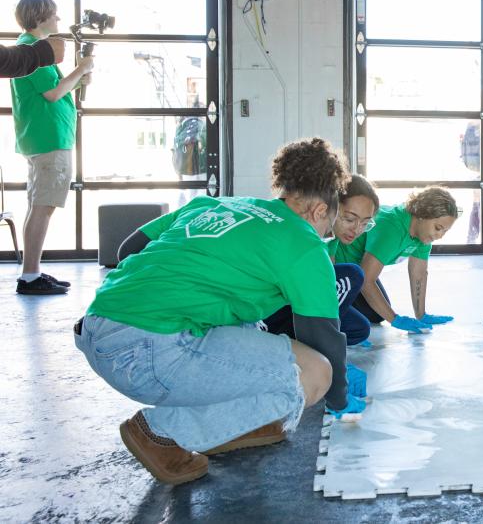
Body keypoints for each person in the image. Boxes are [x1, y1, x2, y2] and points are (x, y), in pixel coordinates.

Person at [75, 137, 361, 486]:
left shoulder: (215, 205)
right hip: (150, 355)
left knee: (251, 326)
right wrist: (339, 397)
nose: (325, 234)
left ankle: (236, 424)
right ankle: (161, 433)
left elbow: (128, 248)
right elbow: (322, 338)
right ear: (319, 211)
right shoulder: (303, 242)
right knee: (313, 374)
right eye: (328, 225)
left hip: (96, 329)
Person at [10, 0, 94, 295]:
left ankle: (32, 273)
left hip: (42, 137)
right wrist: (80, 69)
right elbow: (54, 93)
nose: (58, 21)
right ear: (41, 17)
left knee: (38, 206)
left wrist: (81, 77)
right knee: (43, 207)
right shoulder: (34, 51)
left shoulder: (31, 50)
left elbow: (57, 88)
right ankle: (30, 277)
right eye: (55, 16)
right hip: (49, 139)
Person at [263, 174, 380, 347]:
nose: (356, 229)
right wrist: (330, 350)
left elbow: (328, 279)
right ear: (329, 207)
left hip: (297, 298)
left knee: (360, 328)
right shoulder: (304, 230)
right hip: (272, 305)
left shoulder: (332, 237)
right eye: (349, 219)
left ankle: (296, 335)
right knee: (353, 275)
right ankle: (312, 341)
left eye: (364, 223)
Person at [349, 187, 459, 334]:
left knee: (375, 315)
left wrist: (421, 315)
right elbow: (366, 279)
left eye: (445, 231)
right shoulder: (392, 228)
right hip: (339, 266)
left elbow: (418, 273)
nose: (440, 236)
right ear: (422, 214)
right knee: (361, 322)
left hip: (359, 268)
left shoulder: (423, 236)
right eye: (438, 228)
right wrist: (395, 319)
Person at [0, 37, 64, 78]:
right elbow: (53, 94)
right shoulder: (28, 41)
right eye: (52, 15)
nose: (58, 18)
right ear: (38, 20)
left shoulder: (27, 40)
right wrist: (41, 52)